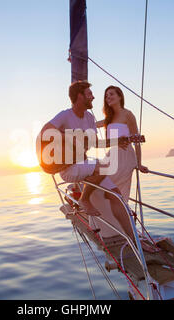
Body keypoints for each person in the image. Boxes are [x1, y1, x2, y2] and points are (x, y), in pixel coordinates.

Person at [37, 81, 131, 228]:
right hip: (68, 168)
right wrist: (70, 137)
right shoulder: (65, 115)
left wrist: (117, 142)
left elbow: (94, 143)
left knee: (116, 195)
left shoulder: (89, 118)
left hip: (85, 164)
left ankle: (134, 239)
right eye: (89, 94)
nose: (93, 97)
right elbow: (45, 133)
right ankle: (84, 199)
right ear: (80, 97)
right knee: (105, 164)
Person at [92, 85, 149, 241]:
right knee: (97, 183)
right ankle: (118, 225)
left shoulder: (128, 115)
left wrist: (139, 163)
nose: (108, 97)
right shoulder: (107, 119)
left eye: (111, 94)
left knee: (104, 185)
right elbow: (90, 126)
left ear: (119, 96)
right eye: (106, 95)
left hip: (125, 157)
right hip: (112, 156)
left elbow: (137, 141)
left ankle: (124, 226)